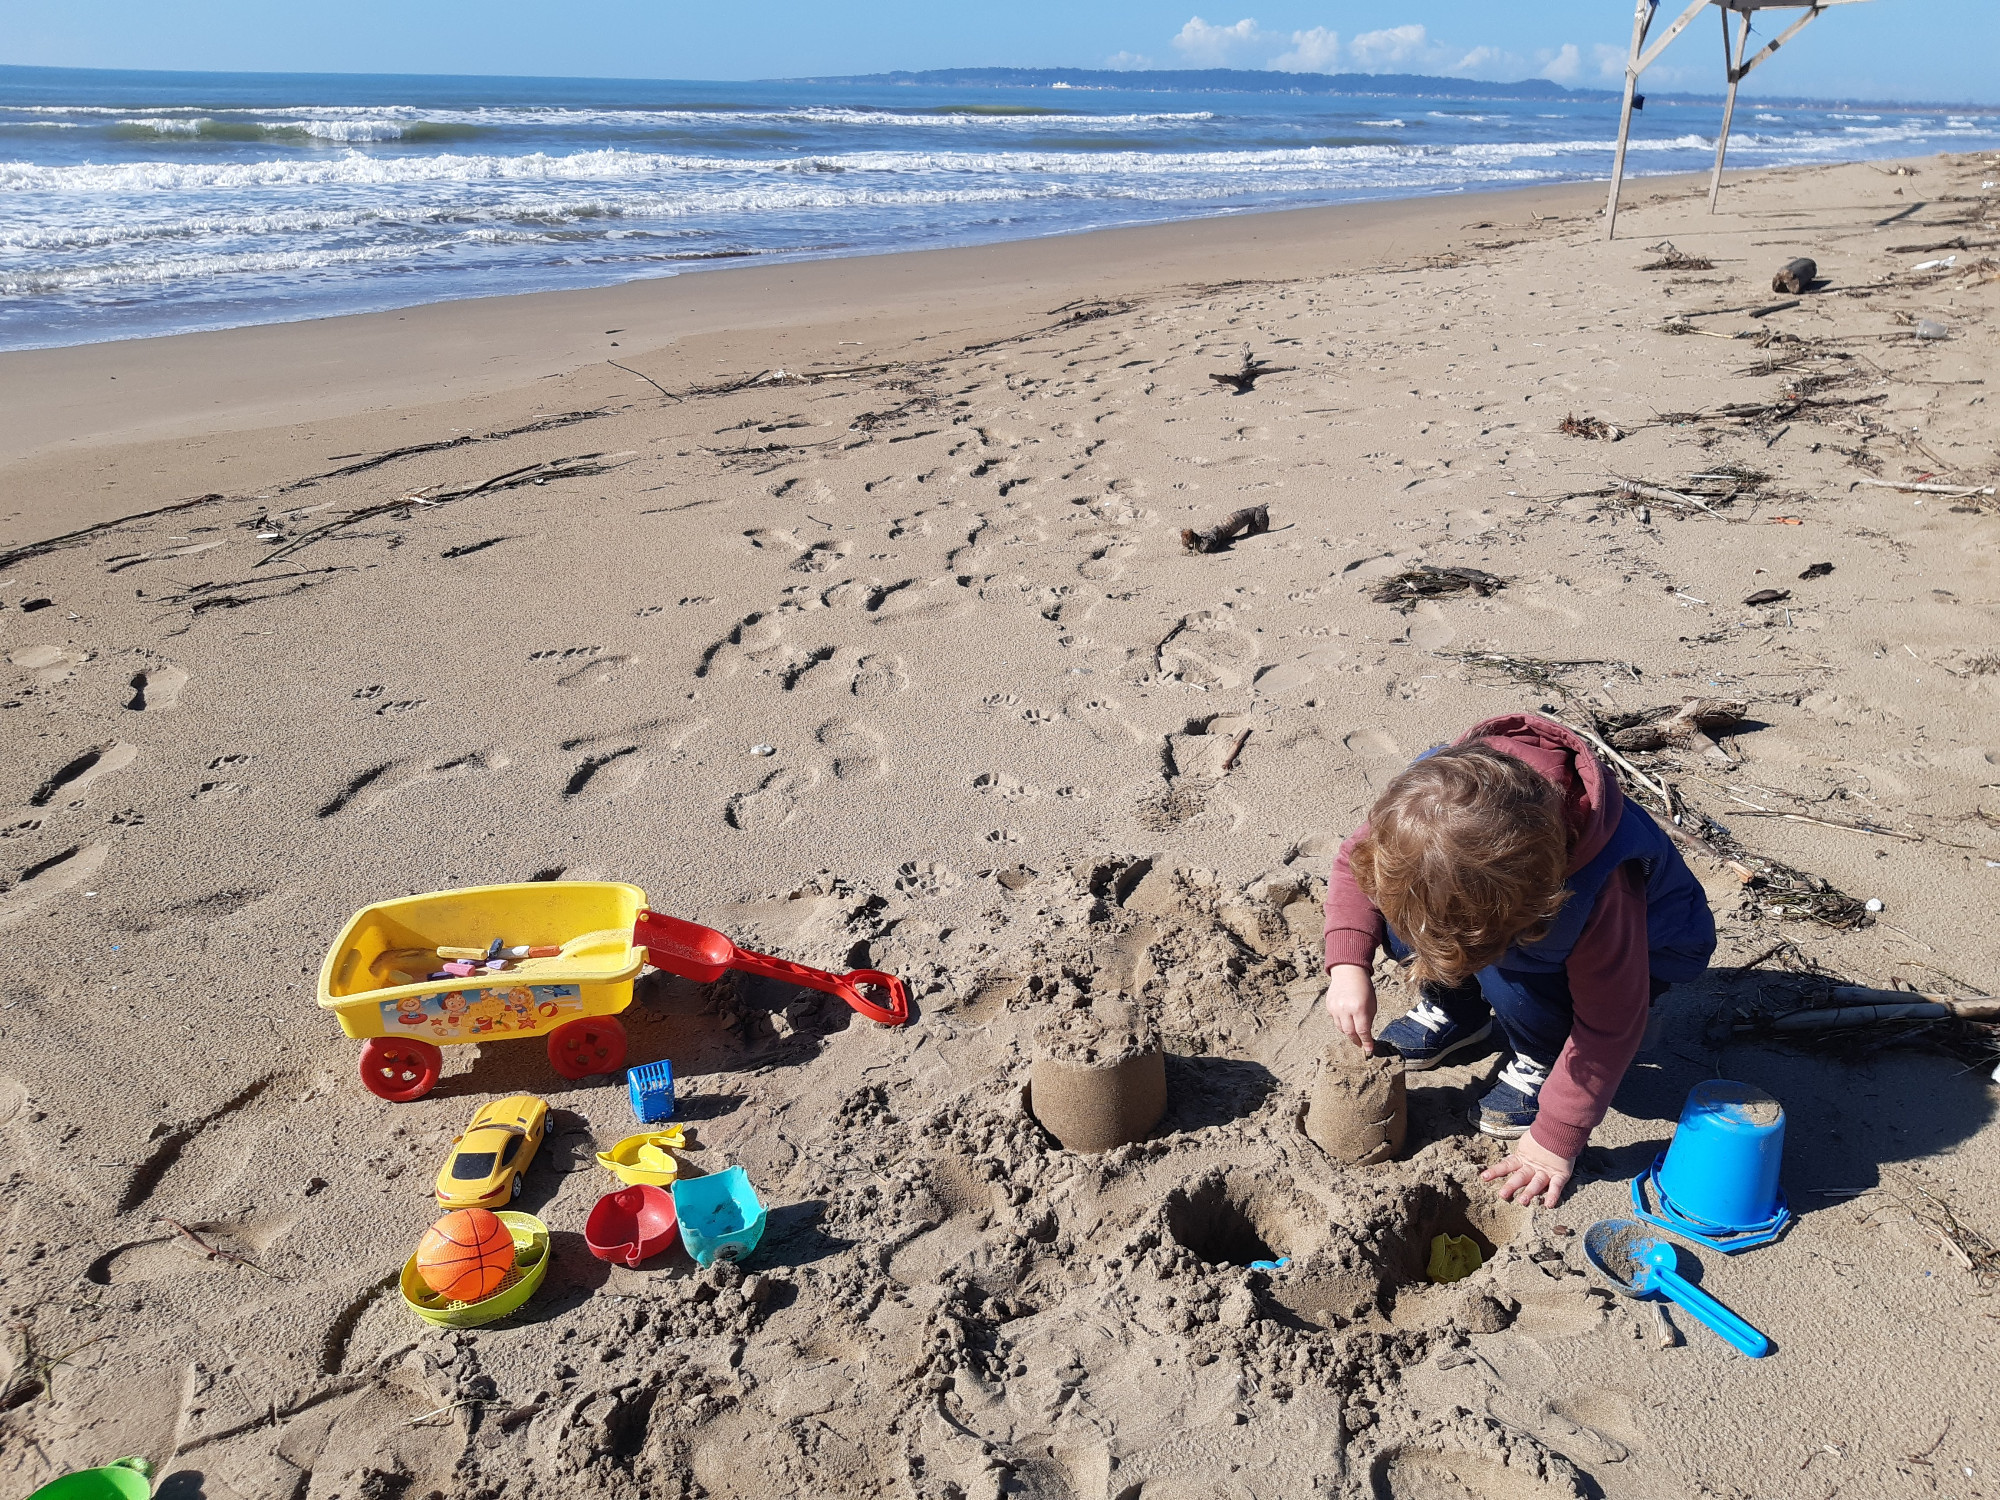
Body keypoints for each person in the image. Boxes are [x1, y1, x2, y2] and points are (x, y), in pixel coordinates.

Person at [1321, 712, 1716, 1208]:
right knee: (1406, 922)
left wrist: (1557, 1136)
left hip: (1649, 949)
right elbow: (1353, 866)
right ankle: (1459, 1013)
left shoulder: (1600, 889)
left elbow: (1611, 1024)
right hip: (1511, 916)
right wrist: (1348, 966)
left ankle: (1540, 1054)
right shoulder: (1421, 807)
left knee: (1517, 980)